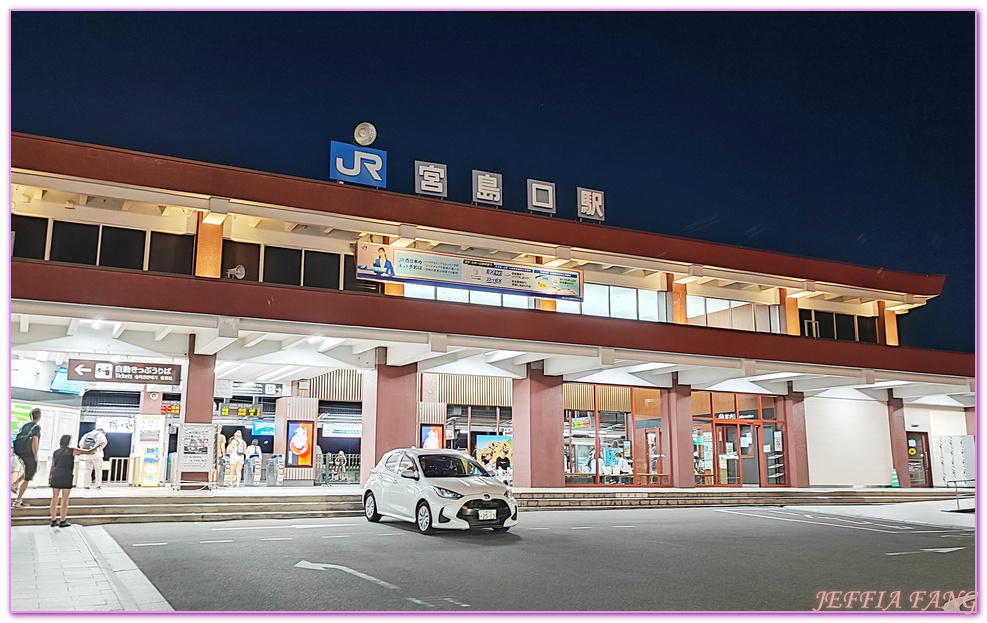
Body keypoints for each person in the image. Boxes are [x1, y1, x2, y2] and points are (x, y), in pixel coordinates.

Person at [49, 434, 99, 527]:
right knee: (65, 499)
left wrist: (50, 477)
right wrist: (98, 445)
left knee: (54, 498)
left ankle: (53, 520)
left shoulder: (56, 452)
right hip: (66, 475)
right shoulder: (72, 450)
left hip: (56, 474)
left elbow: (52, 466)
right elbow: (89, 451)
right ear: (69, 442)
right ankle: (62, 520)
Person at [12, 408, 42, 507]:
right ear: (39, 417)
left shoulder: (25, 426)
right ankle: (18, 501)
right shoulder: (36, 428)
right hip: (29, 454)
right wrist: (35, 455)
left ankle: (15, 484)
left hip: (21, 453)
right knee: (28, 478)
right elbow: (34, 442)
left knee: (29, 471)